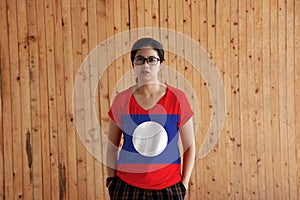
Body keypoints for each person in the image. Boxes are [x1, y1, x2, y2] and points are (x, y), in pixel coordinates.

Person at [106, 38, 195, 200]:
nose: (146, 65)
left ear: (161, 63)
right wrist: (111, 181)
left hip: (169, 187)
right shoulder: (122, 100)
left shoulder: (177, 98)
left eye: (152, 60)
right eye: (140, 59)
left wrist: (184, 184)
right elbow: (112, 146)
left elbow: (190, 146)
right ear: (133, 63)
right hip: (127, 187)